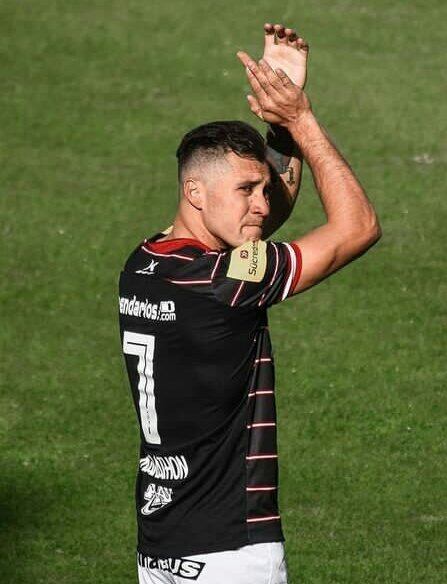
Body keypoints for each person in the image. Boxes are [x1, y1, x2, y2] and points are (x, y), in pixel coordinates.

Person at [118, 23, 381, 584]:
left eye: (263, 188)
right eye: (245, 190)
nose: (261, 205)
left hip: (161, 547)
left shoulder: (146, 265)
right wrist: (299, 118)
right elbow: (357, 227)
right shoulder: (224, 285)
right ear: (195, 192)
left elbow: (247, 237)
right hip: (232, 551)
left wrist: (273, 130)